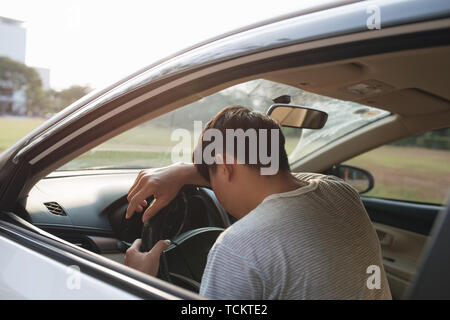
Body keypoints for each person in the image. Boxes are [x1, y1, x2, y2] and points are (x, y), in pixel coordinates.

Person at [124, 105, 392, 299]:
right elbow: (284, 176)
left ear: (226, 167)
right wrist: (186, 171)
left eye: (212, 176)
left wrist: (141, 283)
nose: (213, 187)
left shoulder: (240, 245)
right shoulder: (341, 192)